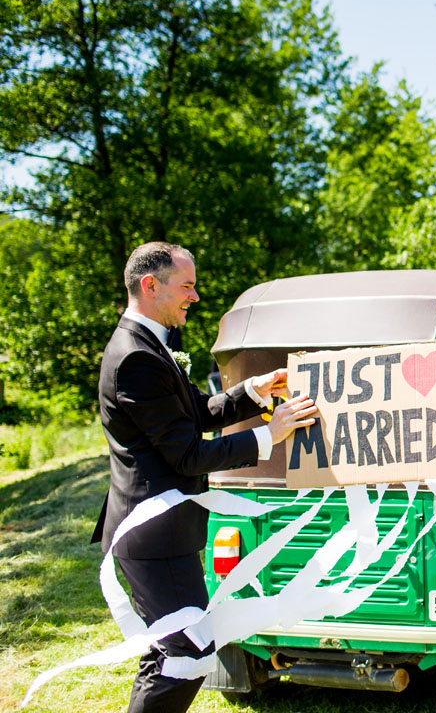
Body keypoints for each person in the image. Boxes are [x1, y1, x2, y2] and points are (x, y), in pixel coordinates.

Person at [92, 242, 318, 713]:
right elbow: (188, 454)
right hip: (154, 537)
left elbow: (195, 411)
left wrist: (252, 392)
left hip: (164, 534)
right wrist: (269, 435)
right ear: (150, 286)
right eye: (187, 286)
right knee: (187, 655)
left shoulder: (151, 346)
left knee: (171, 653)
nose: (195, 296)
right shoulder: (135, 357)